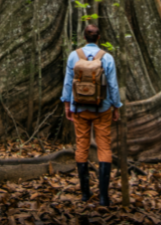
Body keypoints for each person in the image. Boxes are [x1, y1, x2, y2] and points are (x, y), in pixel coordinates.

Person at [61, 24, 122, 206]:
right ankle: (103, 197)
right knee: (104, 148)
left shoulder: (74, 56)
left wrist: (67, 104)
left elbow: (67, 83)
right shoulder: (107, 58)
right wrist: (116, 106)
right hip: (102, 109)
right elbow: (113, 86)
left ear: (84, 37)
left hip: (79, 109)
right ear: (99, 37)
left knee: (82, 147)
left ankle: (85, 194)